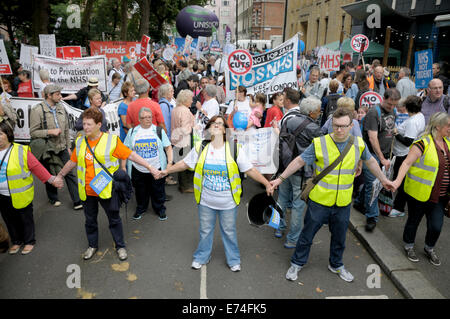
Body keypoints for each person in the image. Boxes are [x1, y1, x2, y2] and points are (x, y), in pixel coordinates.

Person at [270, 108, 395, 283]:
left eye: (344, 126)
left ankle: (336, 264)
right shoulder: (320, 143)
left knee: (339, 237)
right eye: (336, 126)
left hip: (343, 202)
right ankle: (297, 263)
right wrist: (280, 179)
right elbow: (299, 160)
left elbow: (371, 161)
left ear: (351, 126)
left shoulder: (359, 144)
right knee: (307, 235)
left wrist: (383, 180)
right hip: (319, 201)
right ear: (331, 124)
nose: (339, 130)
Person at [160, 115, 273, 272]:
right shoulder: (201, 147)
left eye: (220, 123)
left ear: (225, 129)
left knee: (228, 231)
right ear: (208, 129)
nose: (217, 125)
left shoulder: (234, 149)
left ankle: (233, 260)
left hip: (228, 202)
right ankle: (201, 257)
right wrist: (167, 170)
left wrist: (267, 183)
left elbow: (250, 169)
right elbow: (185, 163)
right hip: (206, 201)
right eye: (213, 123)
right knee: (205, 231)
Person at [56, 107, 161, 261]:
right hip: (87, 191)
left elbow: (130, 154)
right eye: (84, 124)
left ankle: (120, 246)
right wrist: (60, 175)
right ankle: (92, 245)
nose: (85, 127)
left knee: (114, 219)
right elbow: (73, 161)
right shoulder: (79, 141)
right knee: (90, 221)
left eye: (89, 124)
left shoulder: (111, 141)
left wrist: (150, 167)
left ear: (99, 125)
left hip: (106, 190)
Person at [392, 112, 450, 266]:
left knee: (436, 226)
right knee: (414, 221)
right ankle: (409, 245)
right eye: (448, 126)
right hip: (419, 193)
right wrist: (397, 181)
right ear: (438, 126)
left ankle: (429, 248)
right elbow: (406, 163)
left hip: (440, 196)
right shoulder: (422, 143)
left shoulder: (448, 144)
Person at [0, 120, 63, 255]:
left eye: (0, 134)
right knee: (9, 219)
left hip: (21, 193)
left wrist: (51, 180)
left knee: (25, 218)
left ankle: (29, 241)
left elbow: (36, 167)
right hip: (2, 195)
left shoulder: (20, 150)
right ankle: (16, 241)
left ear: (7, 134)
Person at [276, 94, 322, 248]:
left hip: (284, 166)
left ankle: (278, 227)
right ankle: (292, 239)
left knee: (282, 198)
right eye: (318, 111)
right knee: (297, 205)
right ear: (311, 113)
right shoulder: (314, 128)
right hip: (301, 170)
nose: (320, 113)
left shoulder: (289, 120)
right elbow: (321, 149)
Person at [29, 84, 83, 210]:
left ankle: (77, 201)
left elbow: (66, 129)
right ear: (49, 95)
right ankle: (53, 198)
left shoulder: (61, 107)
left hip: (62, 147)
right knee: (50, 173)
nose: (60, 96)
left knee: (69, 172)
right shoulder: (37, 110)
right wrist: (49, 132)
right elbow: (33, 132)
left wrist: (68, 146)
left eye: (60, 93)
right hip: (48, 148)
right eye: (57, 94)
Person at [354, 88, 400, 231]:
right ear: (383, 99)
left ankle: (359, 202)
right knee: (373, 185)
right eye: (389, 104)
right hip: (371, 155)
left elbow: (390, 127)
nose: (391, 108)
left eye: (394, 105)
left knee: (371, 184)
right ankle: (372, 217)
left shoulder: (393, 111)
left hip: (385, 155)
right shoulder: (374, 113)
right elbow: (373, 138)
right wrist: (381, 158)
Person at [123, 107, 173, 221]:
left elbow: (168, 147)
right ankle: (141, 208)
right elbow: (125, 150)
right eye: (144, 117)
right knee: (140, 191)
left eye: (149, 117)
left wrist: (169, 163)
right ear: (139, 119)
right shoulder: (132, 132)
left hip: (157, 167)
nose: (147, 119)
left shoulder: (158, 131)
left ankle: (160, 209)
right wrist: (123, 166)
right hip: (137, 169)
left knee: (158, 191)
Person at [390, 95, 425, 218]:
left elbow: (408, 141)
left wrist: (396, 133)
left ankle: (399, 207)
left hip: (403, 154)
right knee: (402, 180)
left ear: (408, 107)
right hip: (405, 153)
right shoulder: (419, 116)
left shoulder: (412, 122)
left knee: (401, 180)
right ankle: (398, 204)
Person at [171, 89, 196, 193]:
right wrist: (193, 125)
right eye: (190, 99)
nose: (192, 101)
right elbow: (185, 129)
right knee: (184, 163)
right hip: (184, 140)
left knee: (180, 161)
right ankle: (184, 187)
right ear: (185, 99)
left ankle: (183, 185)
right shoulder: (185, 111)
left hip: (176, 139)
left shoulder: (176, 109)